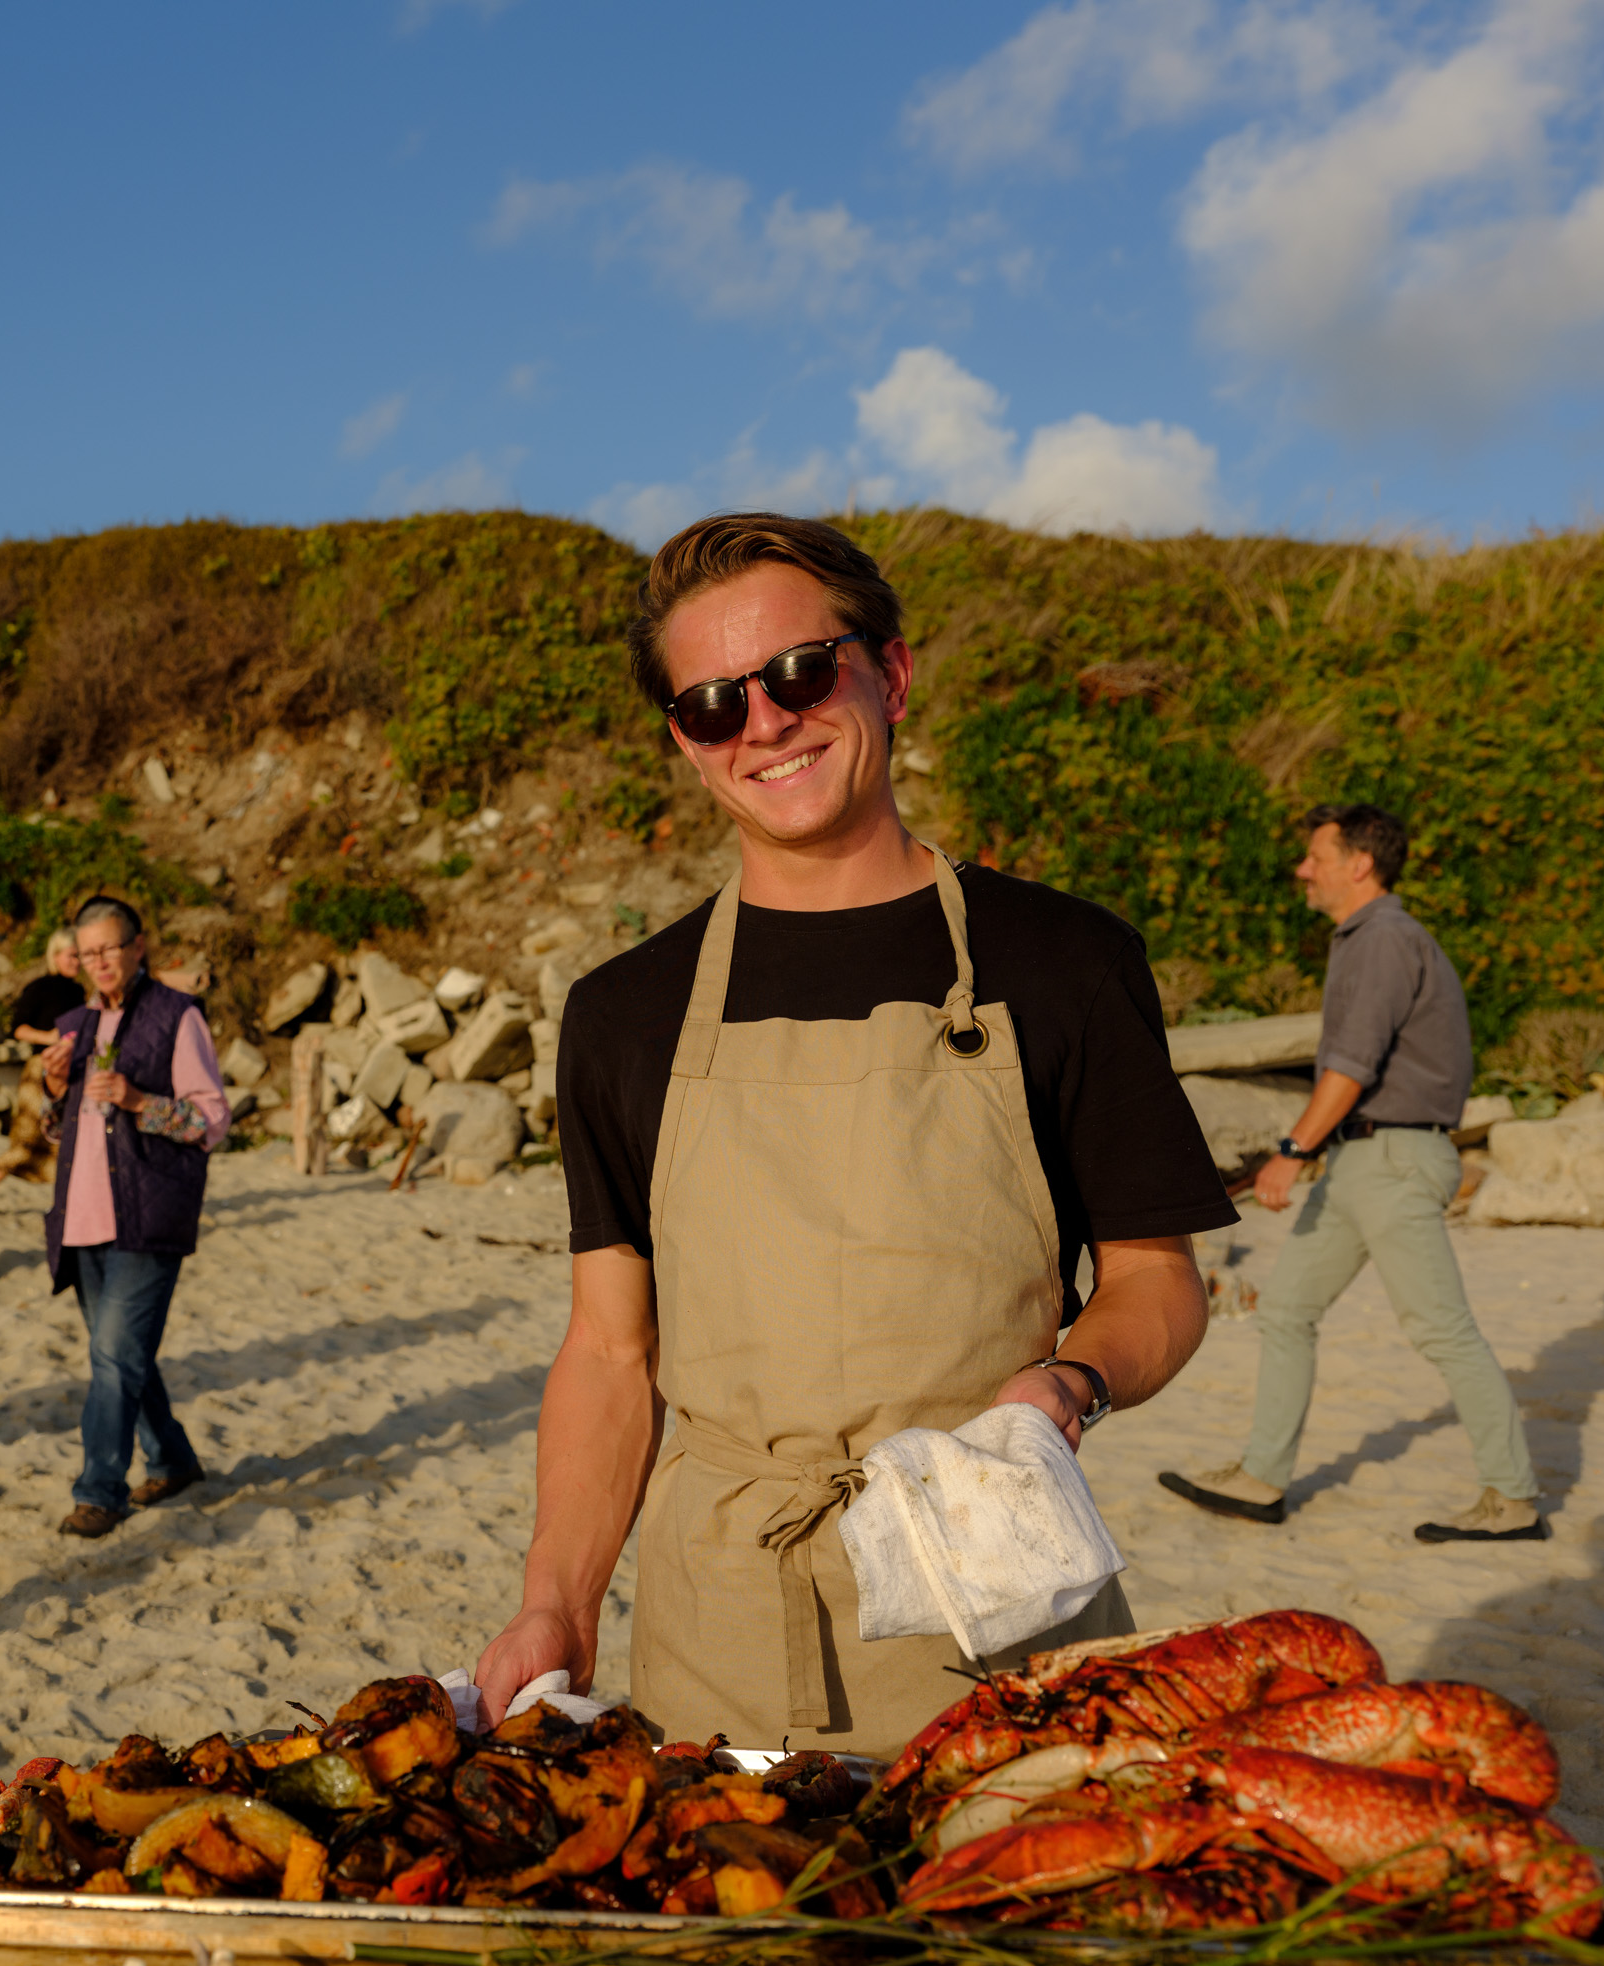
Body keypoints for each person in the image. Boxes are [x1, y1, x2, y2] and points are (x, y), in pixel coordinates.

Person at [471, 513, 1234, 1756]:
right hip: (713, 1633)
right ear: (684, 739)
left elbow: (1155, 1280)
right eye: (714, 703)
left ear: (891, 668)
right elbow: (611, 1353)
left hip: (996, 1601)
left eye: (799, 672)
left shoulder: (1065, 960)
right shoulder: (623, 1013)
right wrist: (554, 1601)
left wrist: (1068, 1386)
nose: (765, 723)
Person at [1158, 805, 1541, 1544]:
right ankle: (1262, 1479)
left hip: (1391, 1160)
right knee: (1287, 1308)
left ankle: (1513, 1498)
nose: (1304, 869)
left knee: (1442, 1331)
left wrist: (1292, 1150)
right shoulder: (1374, 940)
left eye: (1315, 856)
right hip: (1363, 1159)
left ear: (1360, 863)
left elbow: (1350, 1067)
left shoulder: (1383, 940)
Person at [37, 896, 230, 1539]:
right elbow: (55, 1134)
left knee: (115, 1357)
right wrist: (52, 1091)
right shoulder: (74, 1023)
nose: (99, 963)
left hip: (148, 1216)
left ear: (138, 947)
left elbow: (210, 1121)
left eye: (109, 949)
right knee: (120, 1356)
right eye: (87, 953)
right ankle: (173, 1459)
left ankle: (100, 1491)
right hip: (80, 1217)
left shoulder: (179, 1017)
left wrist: (139, 1099)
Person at [0, 931, 86, 1203]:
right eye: (73, 955)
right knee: (26, 1139)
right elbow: (17, 1028)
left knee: (66, 1141)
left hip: (71, 1071)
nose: (78, 961)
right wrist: (49, 1037)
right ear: (56, 955)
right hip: (41, 1069)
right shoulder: (40, 988)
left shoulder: (79, 991)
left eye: (80, 955)